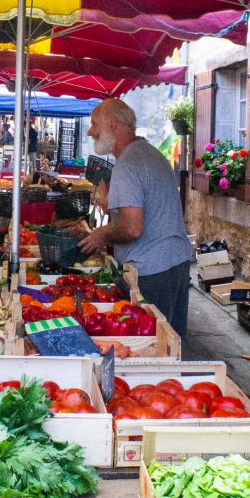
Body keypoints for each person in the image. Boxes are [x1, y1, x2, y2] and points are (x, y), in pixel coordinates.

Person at [78, 99, 192, 338]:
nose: (90, 131)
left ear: (113, 124)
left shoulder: (128, 164)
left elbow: (131, 228)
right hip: (175, 263)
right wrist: (111, 205)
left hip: (152, 270)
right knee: (171, 342)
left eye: (94, 124)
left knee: (154, 344)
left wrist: (101, 233)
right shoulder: (150, 153)